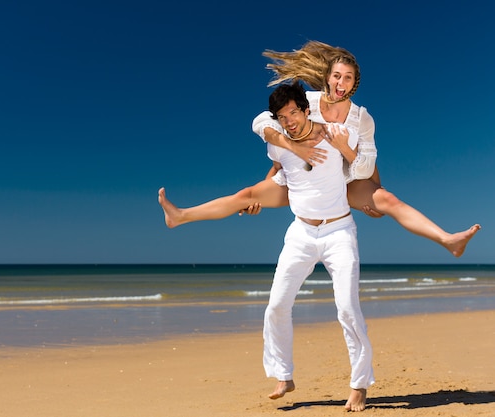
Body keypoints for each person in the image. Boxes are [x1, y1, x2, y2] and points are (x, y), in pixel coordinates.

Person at [158, 41, 480, 257]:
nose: (341, 83)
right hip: (300, 181)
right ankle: (180, 216)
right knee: (246, 196)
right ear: (327, 78)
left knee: (387, 199)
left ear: (355, 84)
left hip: (346, 185)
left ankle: (447, 240)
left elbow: (366, 165)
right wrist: (281, 158)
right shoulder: (306, 102)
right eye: (336, 76)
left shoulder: (362, 119)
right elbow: (263, 123)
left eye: (348, 78)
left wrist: (353, 160)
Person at [260, 82, 373, 411]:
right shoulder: (279, 145)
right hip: (300, 234)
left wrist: (373, 195)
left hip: (339, 231)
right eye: (282, 117)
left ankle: (359, 386)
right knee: (277, 305)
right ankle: (283, 375)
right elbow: (276, 172)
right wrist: (256, 199)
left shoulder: (336, 134)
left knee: (348, 310)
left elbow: (363, 162)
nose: (289, 121)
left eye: (294, 112)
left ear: (306, 109)